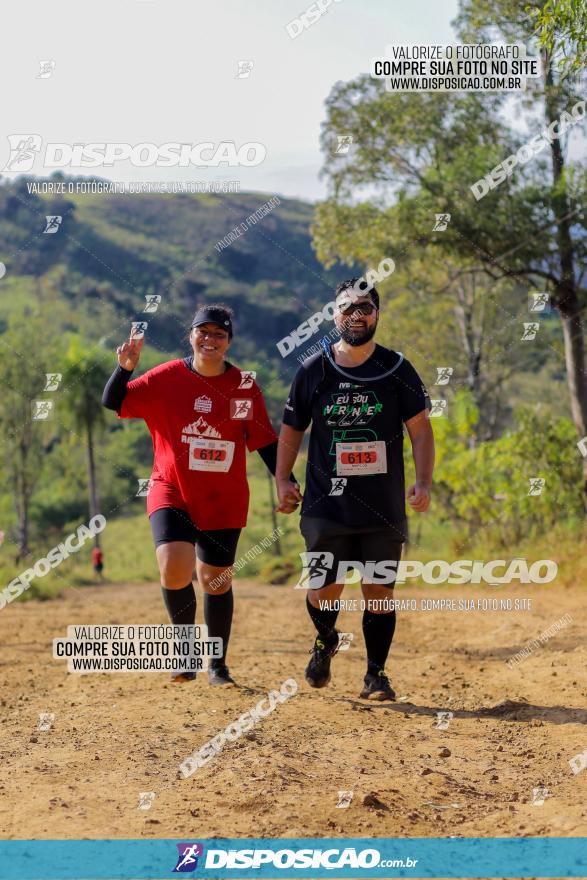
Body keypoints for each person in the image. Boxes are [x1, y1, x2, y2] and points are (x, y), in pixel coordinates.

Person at [102, 303, 299, 684]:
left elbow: (264, 442)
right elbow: (115, 401)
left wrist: (284, 480)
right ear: (191, 335)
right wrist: (125, 367)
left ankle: (218, 665)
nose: (210, 340)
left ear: (228, 342)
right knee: (174, 566)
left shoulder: (243, 386)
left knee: (216, 580)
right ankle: (186, 653)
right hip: (170, 488)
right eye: (203, 332)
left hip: (221, 498)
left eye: (219, 334)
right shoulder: (166, 378)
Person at [276, 279, 434, 701]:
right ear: (334, 315)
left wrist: (422, 481)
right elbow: (292, 429)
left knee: (379, 592)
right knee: (323, 589)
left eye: (364, 307)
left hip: (382, 506)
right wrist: (281, 479)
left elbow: (420, 431)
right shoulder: (315, 369)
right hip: (326, 504)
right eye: (347, 307)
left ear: (376, 315)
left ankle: (376, 675)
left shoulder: (397, 369)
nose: (356, 314)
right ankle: (325, 639)